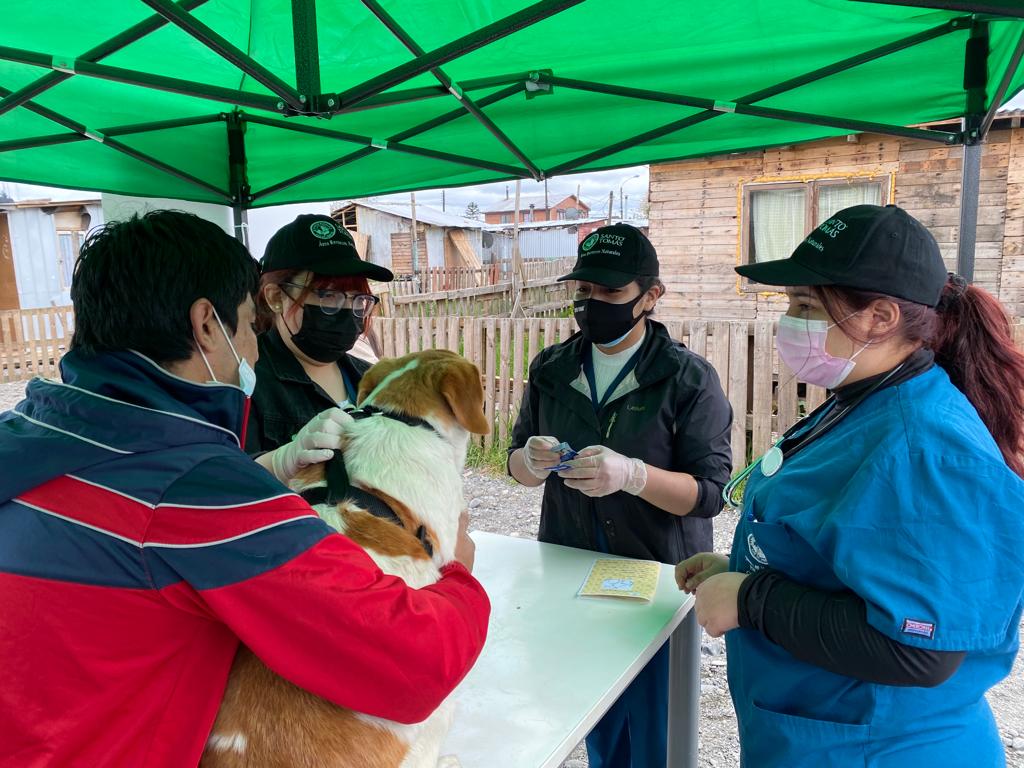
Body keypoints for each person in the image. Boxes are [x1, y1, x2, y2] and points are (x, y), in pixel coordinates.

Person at [0, 211, 489, 768]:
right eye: (248, 325)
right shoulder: (190, 485)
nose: (254, 349)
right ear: (208, 325)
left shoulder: (26, 437)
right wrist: (459, 577)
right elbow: (414, 664)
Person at [678, 204, 1024, 767]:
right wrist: (745, 571)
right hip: (820, 733)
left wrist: (751, 598)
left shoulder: (925, 448)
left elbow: (920, 652)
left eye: (807, 305)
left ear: (881, 317)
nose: (788, 321)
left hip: (881, 747)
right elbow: (842, 549)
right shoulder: (862, 401)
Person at [507, 223, 733, 768]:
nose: (592, 306)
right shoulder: (553, 367)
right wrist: (531, 461)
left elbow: (708, 495)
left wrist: (634, 475)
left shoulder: (687, 379)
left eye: (610, 294)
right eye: (583, 293)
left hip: (654, 578)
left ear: (651, 296)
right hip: (570, 568)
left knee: (655, 729)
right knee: (595, 718)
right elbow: (515, 464)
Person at [246, 213, 394, 484]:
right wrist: (278, 462)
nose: (348, 311)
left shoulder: (372, 380)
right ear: (276, 297)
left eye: (357, 298)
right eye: (327, 295)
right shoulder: (247, 381)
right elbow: (224, 483)